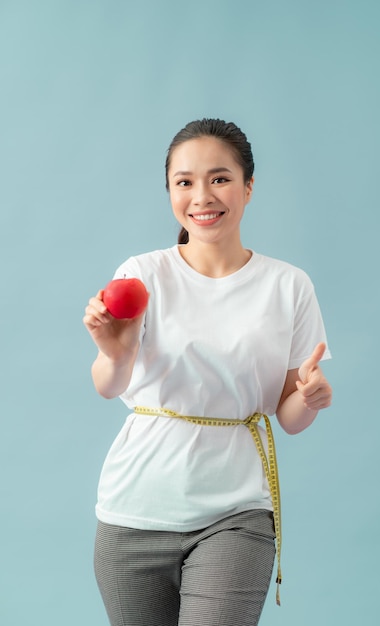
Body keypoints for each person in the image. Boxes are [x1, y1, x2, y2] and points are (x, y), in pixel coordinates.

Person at [83, 118, 332, 626]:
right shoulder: (142, 273)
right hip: (133, 512)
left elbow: (288, 417)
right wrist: (114, 353)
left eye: (219, 178)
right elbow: (109, 387)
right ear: (171, 190)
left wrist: (307, 397)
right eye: (185, 181)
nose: (202, 195)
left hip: (236, 512)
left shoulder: (288, 286)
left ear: (248, 187)